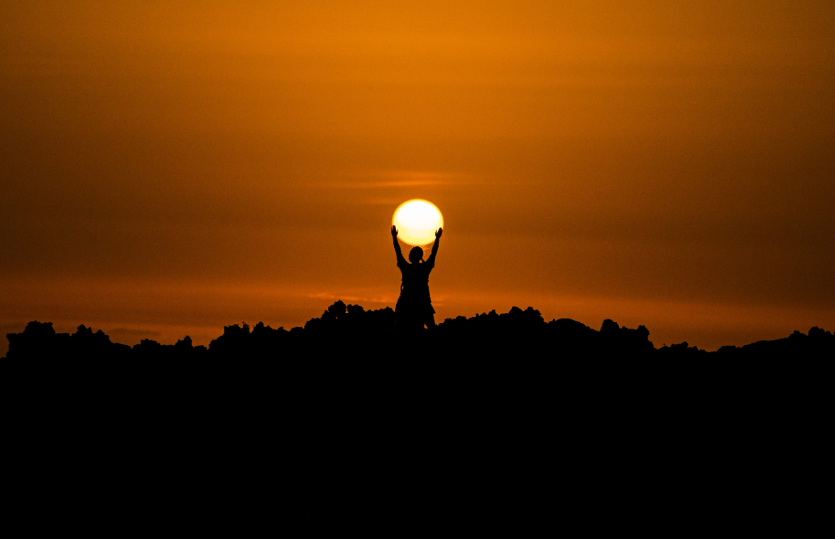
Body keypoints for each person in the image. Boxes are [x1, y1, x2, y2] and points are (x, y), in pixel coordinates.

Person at [391, 225, 442, 332]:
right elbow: (433, 254)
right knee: (432, 329)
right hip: (422, 302)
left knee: (400, 329)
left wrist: (394, 237)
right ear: (421, 256)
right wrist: (437, 239)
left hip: (406, 302)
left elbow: (398, 252)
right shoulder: (425, 268)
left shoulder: (406, 268)